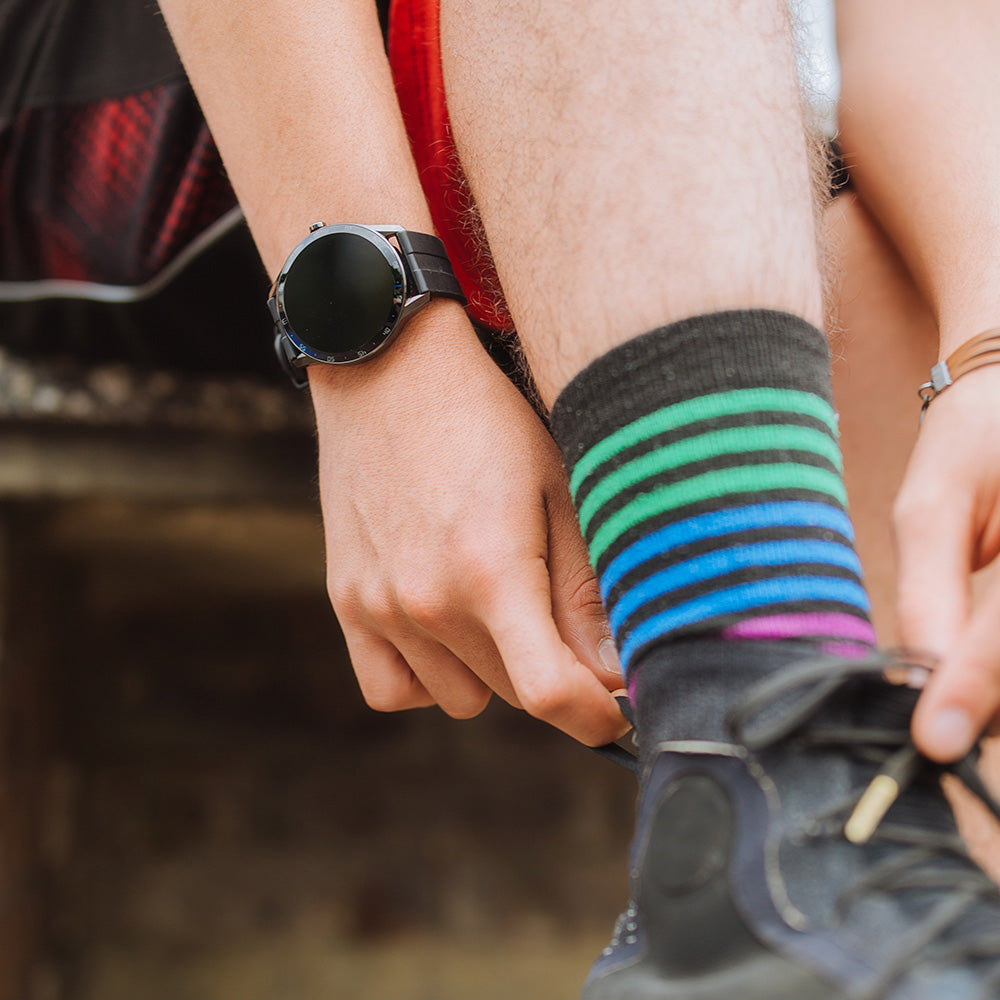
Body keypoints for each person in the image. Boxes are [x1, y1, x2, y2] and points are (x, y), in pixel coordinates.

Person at [15, 0, 1000, 994]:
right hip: (159, 127)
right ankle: (761, 763)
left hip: (680, 163)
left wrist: (989, 351)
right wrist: (379, 347)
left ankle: (817, 876)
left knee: (884, 255)